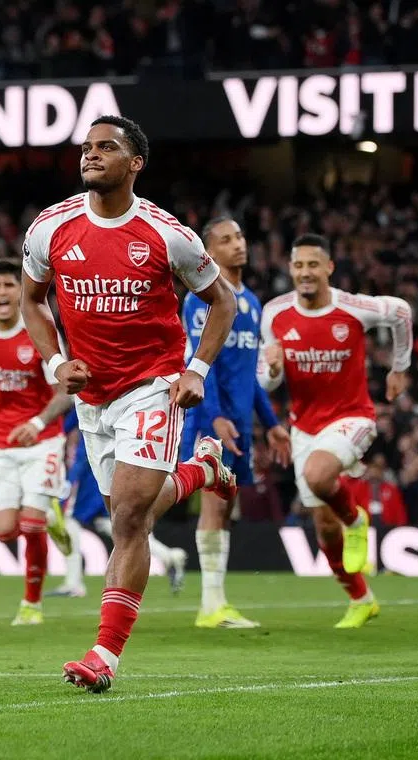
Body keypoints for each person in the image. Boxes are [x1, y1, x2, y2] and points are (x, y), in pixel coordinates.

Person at [20, 115, 238, 693]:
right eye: (86, 147)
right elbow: (32, 300)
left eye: (106, 147)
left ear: (135, 163)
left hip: (153, 385)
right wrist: (55, 363)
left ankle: (104, 655)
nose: (90, 155)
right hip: (92, 397)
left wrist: (195, 370)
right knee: (129, 512)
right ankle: (201, 471)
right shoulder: (50, 227)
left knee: (128, 519)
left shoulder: (168, 235)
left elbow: (223, 302)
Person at [258, 233, 414, 629]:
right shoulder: (274, 313)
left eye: (313, 264)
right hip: (303, 427)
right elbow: (266, 380)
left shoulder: (352, 307)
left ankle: (356, 520)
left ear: (329, 267)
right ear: (290, 269)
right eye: (298, 265)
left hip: (353, 417)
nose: (305, 272)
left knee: (318, 474)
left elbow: (401, 312)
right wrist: (272, 369)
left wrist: (399, 368)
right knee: (324, 526)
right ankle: (361, 599)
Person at [180, 216, 291, 629]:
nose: (238, 244)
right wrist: (215, 416)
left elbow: (249, 377)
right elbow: (197, 365)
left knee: (225, 507)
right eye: (226, 240)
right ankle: (210, 605)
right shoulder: (202, 298)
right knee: (213, 503)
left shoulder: (253, 303)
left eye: (240, 236)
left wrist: (272, 423)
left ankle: (216, 601)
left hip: (239, 422)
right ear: (210, 252)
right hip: (212, 418)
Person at [0, 259, 75, 626]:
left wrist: (38, 422)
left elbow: (66, 389)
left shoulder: (39, 331)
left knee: (31, 524)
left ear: (21, 291)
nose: (2, 293)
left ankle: (31, 604)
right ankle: (52, 515)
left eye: (9, 285)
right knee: (3, 530)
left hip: (42, 441)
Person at [50, 410, 187, 598]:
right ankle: (168, 556)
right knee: (112, 521)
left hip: (91, 469)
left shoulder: (87, 397)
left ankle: (73, 582)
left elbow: (64, 428)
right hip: (115, 464)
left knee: (70, 519)